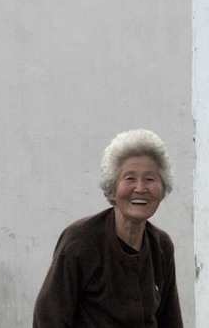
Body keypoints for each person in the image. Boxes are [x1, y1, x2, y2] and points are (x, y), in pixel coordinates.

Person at [33, 129, 183, 327]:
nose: (140, 188)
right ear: (113, 188)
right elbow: (49, 320)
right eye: (129, 178)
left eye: (150, 179)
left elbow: (170, 320)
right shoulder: (79, 242)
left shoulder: (161, 245)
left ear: (162, 189)